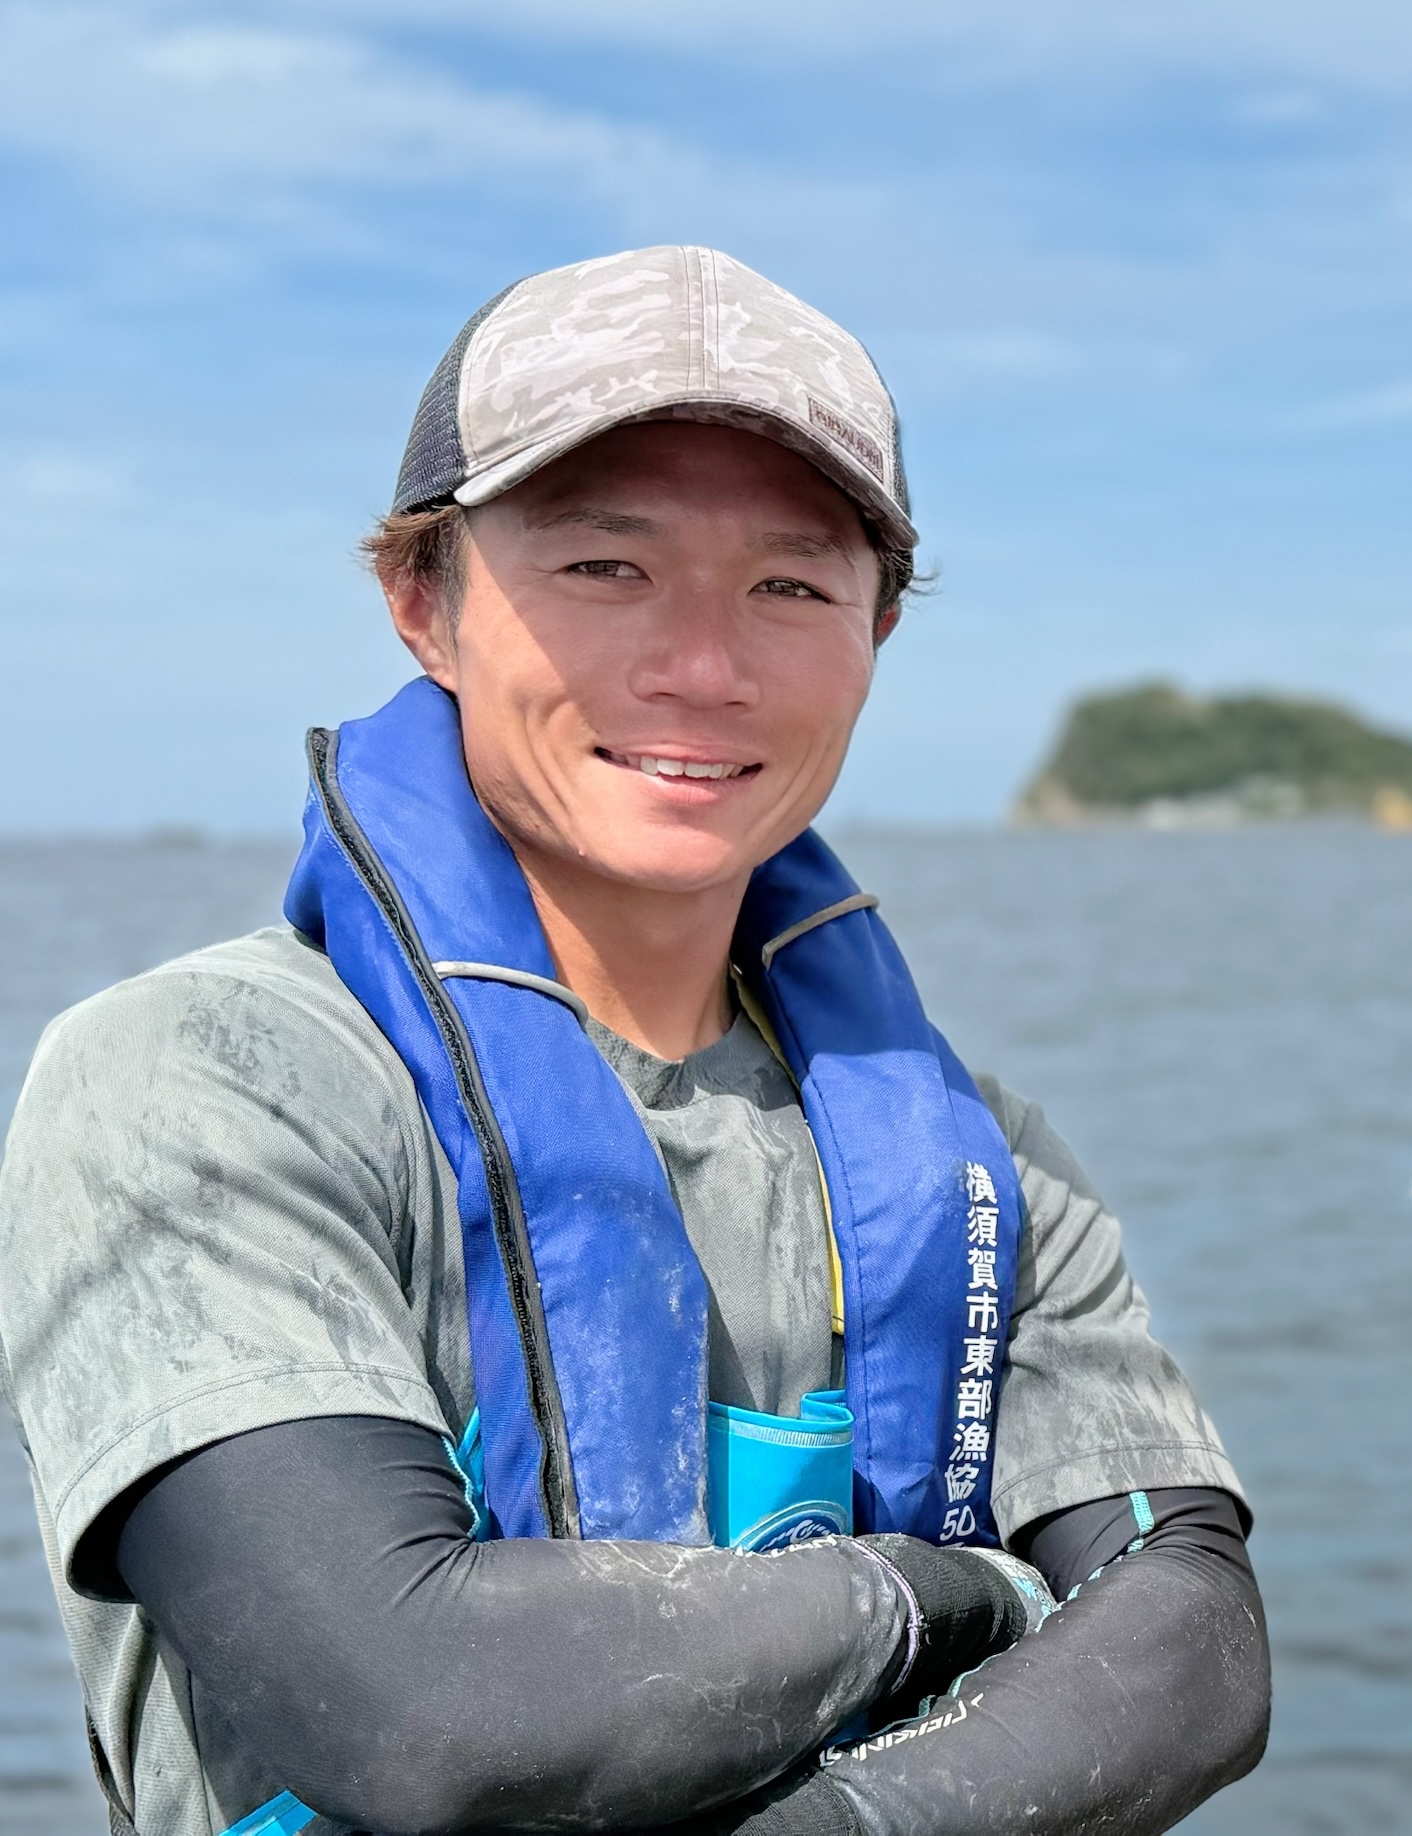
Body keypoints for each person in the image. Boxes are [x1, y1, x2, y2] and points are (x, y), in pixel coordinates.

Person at [0, 245, 1268, 1836]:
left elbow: (1195, 1644)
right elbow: (424, 1712)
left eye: (792, 586)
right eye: (606, 566)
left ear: (879, 632)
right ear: (423, 603)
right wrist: (954, 1598)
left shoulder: (983, 1161)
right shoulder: (203, 1085)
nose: (703, 667)